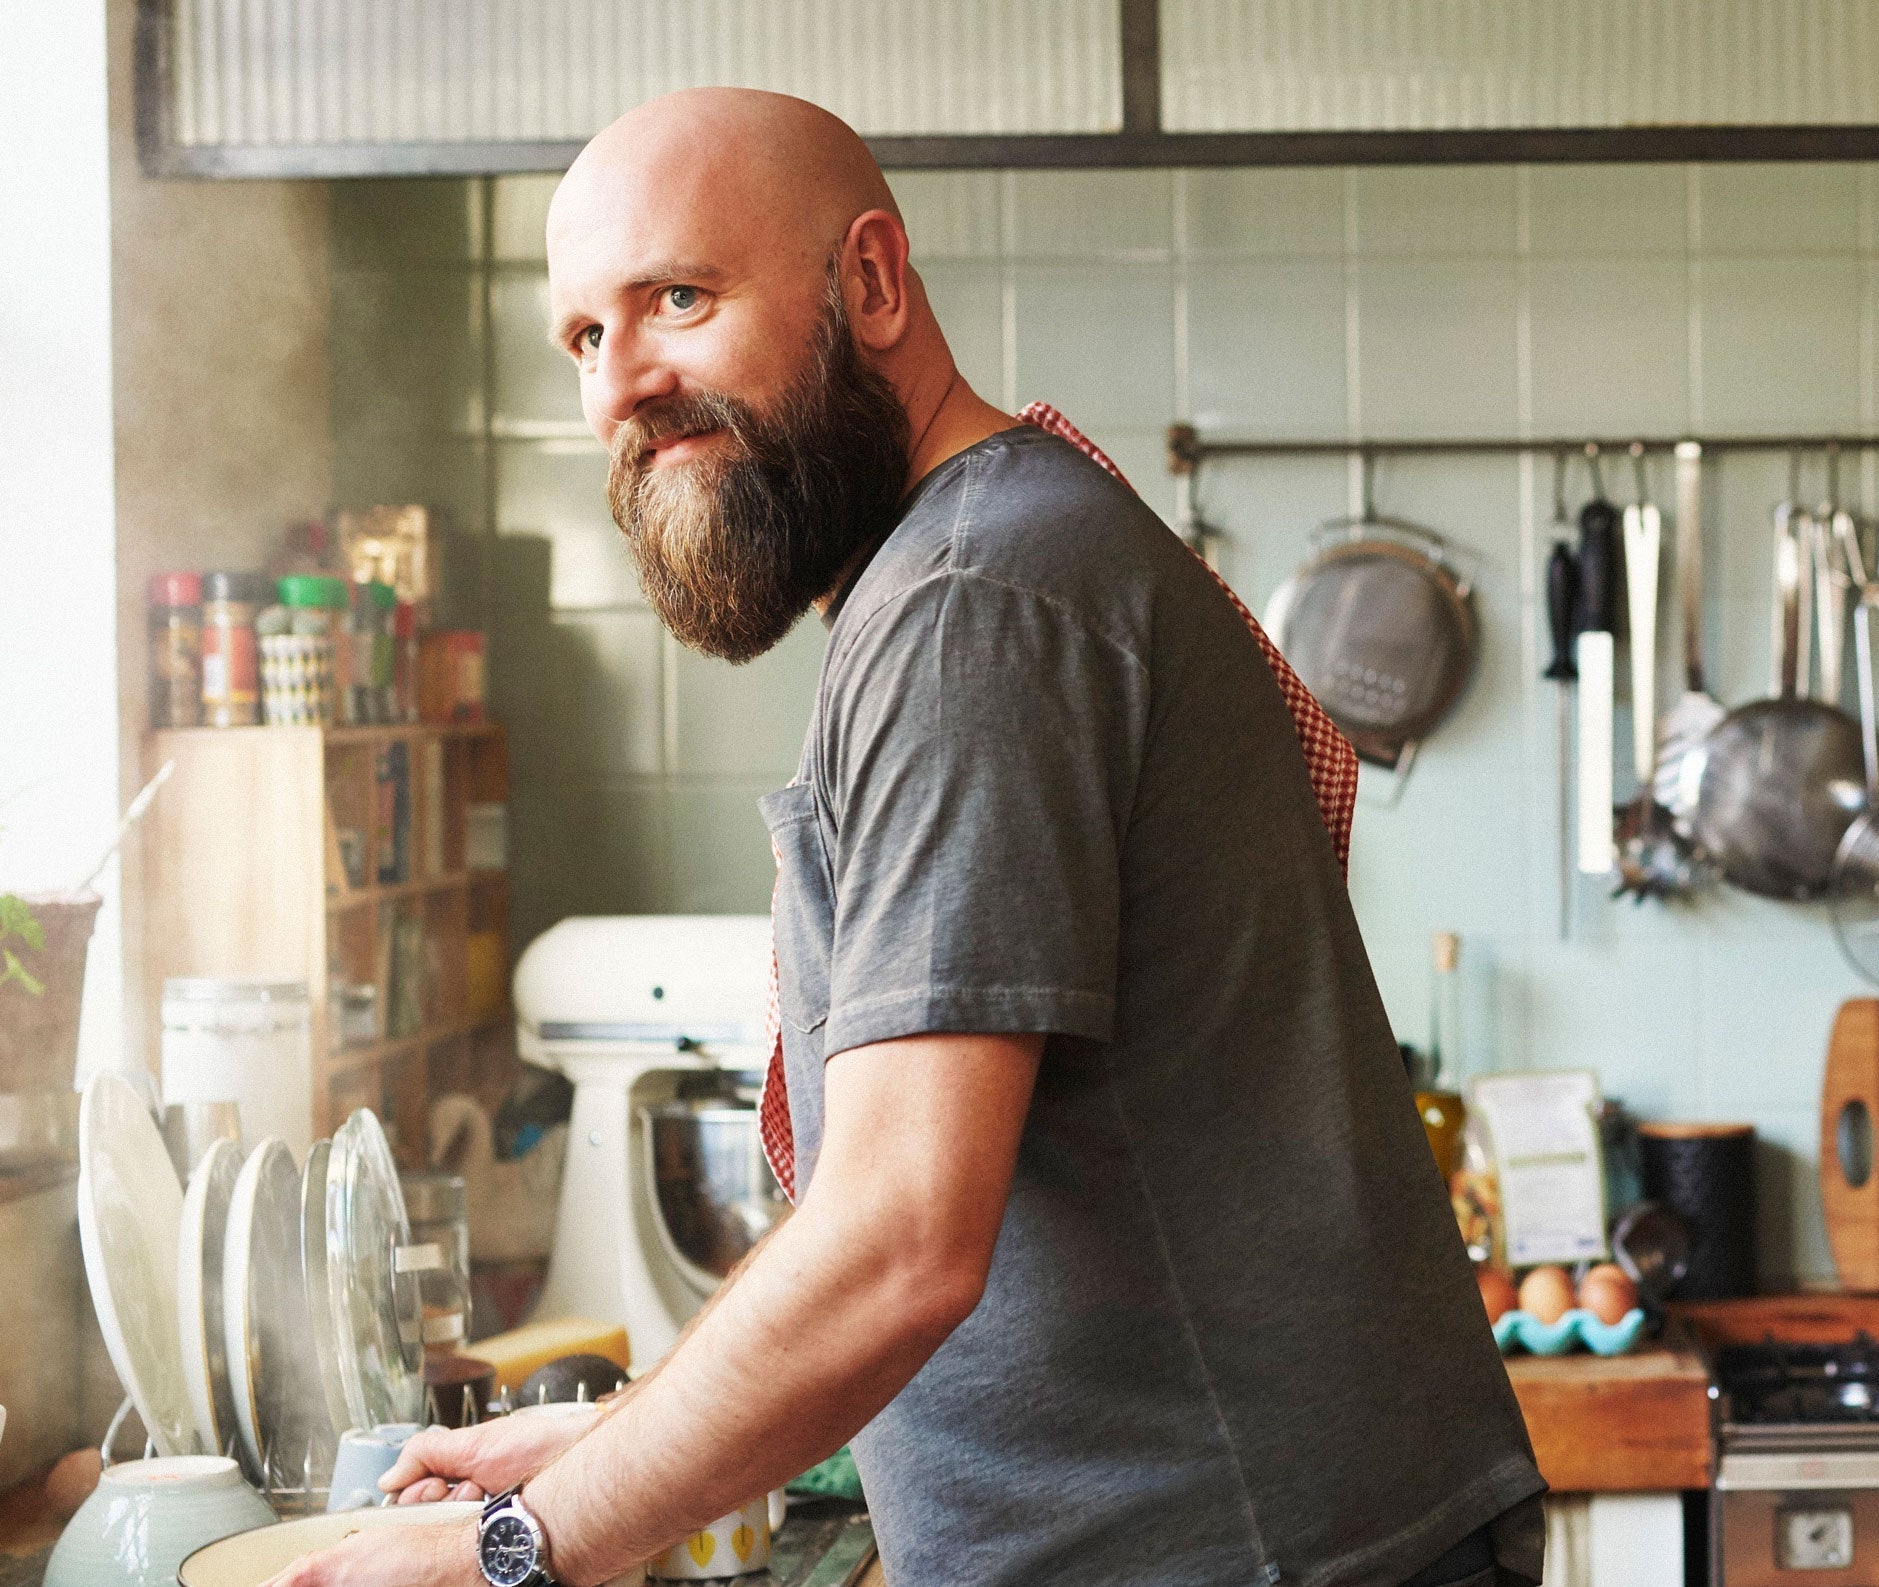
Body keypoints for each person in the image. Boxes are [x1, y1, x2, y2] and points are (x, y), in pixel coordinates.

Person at [268, 89, 1540, 1587]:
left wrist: (510, 1547)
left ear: (869, 282)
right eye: (585, 340)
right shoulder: (989, 557)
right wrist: (612, 1438)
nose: (621, 387)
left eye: (678, 297)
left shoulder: (971, 606)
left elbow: (898, 1240)